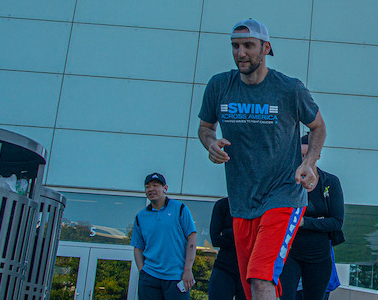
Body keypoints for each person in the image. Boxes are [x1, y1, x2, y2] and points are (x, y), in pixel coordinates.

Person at [197, 18, 327, 300]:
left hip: (283, 196)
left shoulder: (289, 89)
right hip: (242, 202)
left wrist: (309, 162)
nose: (240, 53)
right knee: (251, 288)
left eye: (248, 46)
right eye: (235, 46)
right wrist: (211, 143)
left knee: (260, 278)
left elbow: (318, 126)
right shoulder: (220, 86)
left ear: (266, 48)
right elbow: (205, 128)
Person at [280, 134, 345, 300]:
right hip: (290, 253)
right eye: (299, 156)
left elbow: (336, 222)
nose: (303, 161)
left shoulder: (330, 182)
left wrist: (303, 222)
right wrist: (319, 221)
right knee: (285, 296)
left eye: (306, 156)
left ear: (317, 156)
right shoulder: (287, 183)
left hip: (319, 256)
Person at [132, 172, 198, 300]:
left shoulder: (180, 209)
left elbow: (192, 238)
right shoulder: (141, 216)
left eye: (155, 185)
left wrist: (188, 270)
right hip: (150, 277)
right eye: (147, 186)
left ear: (165, 188)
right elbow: (138, 247)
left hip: (176, 277)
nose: (151, 189)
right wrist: (142, 272)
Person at [209, 197, 245, 300]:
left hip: (247, 270)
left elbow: (253, 237)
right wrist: (240, 235)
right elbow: (215, 239)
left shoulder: (255, 205)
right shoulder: (222, 205)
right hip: (224, 266)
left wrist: (226, 232)